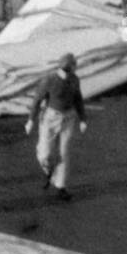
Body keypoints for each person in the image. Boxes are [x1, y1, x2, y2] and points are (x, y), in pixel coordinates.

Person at [26, 52, 87, 201]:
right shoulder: (49, 80)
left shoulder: (74, 80)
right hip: (50, 117)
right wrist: (30, 120)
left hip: (68, 117)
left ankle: (61, 186)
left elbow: (78, 99)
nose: (68, 73)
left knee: (64, 153)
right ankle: (49, 172)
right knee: (44, 153)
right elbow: (37, 100)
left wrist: (83, 119)